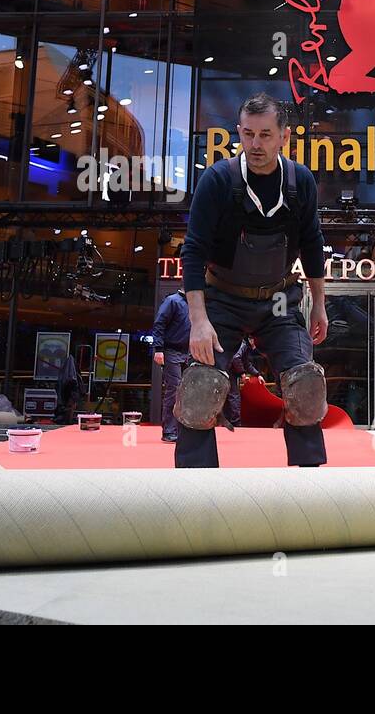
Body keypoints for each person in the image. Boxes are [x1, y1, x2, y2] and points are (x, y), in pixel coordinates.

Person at [175, 92, 329, 468]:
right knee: (199, 389)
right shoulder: (216, 180)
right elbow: (193, 251)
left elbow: (312, 245)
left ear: (284, 137)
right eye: (247, 134)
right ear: (239, 133)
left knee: (305, 386)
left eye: (264, 135)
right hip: (222, 301)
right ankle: (195, 496)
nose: (255, 144)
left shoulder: (301, 182)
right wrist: (198, 321)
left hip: (278, 301)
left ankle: (310, 493)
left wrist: (319, 305)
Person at [152, 289, 191, 441]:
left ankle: (181, 430)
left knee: (186, 392)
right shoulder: (172, 301)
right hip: (171, 351)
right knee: (174, 390)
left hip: (187, 352)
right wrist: (159, 349)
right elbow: (159, 323)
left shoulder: (194, 304)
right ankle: (169, 430)